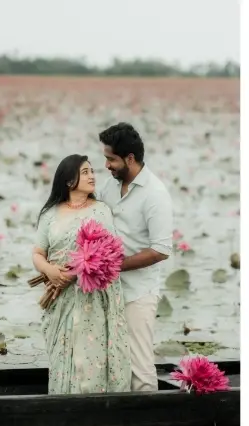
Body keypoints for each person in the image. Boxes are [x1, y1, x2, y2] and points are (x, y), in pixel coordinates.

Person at [33, 153, 132, 392]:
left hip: (91, 297)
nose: (92, 176)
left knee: (91, 359)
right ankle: (62, 404)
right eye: (85, 172)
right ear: (69, 180)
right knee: (61, 355)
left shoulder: (100, 211)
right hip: (60, 298)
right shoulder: (50, 214)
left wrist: (75, 273)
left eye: (92, 171)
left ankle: (94, 404)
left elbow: (109, 253)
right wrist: (49, 270)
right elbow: (37, 253)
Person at [94, 123, 174, 392]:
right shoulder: (109, 186)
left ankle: (149, 418)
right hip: (106, 291)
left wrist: (112, 267)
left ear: (130, 158)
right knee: (110, 362)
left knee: (140, 367)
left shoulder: (155, 194)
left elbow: (160, 250)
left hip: (138, 293)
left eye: (111, 159)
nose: (107, 165)